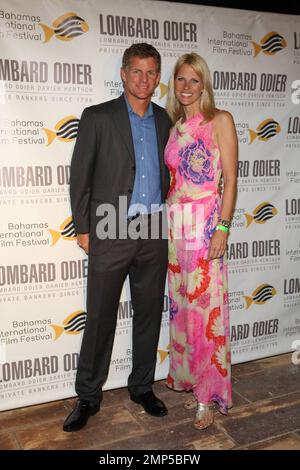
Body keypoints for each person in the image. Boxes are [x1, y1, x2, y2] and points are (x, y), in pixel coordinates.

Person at [63, 43, 172, 432]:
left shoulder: (165, 120)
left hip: (154, 229)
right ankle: (88, 396)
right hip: (110, 228)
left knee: (147, 314)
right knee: (100, 318)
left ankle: (142, 386)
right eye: (137, 71)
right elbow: (81, 176)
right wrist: (83, 227)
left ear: (158, 78)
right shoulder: (97, 117)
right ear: (123, 74)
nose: (144, 79)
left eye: (151, 72)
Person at [164, 53, 238, 430]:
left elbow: (230, 180)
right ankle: (189, 378)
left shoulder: (219, 121)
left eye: (194, 80)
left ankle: (206, 398)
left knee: (206, 314)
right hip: (177, 232)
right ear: (174, 84)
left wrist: (222, 228)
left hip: (206, 228)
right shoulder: (176, 127)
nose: (187, 87)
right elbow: (175, 182)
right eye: (181, 79)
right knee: (183, 311)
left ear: (205, 84)